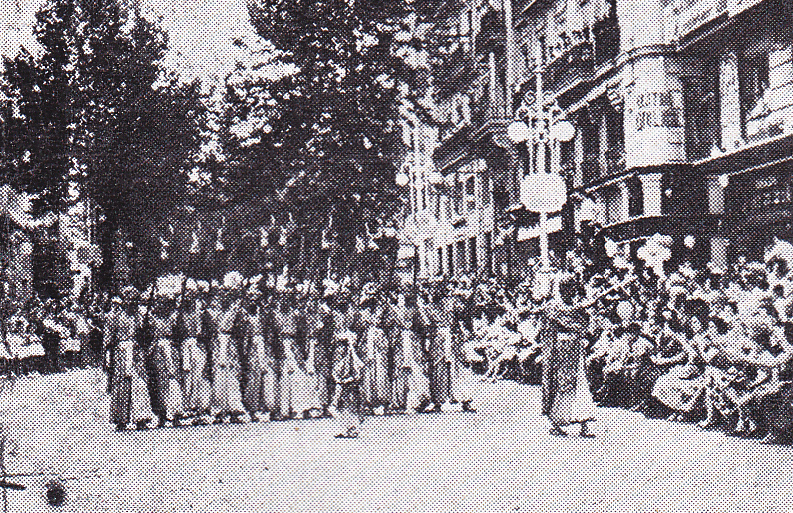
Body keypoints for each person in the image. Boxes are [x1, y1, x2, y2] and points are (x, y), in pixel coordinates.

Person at [538, 271, 617, 437]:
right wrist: (580, 308)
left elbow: (584, 324)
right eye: (566, 288)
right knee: (562, 386)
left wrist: (585, 309)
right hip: (559, 352)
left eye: (571, 288)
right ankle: (557, 423)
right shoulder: (552, 307)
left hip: (575, 350)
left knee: (580, 384)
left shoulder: (574, 306)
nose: (570, 291)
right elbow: (562, 319)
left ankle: (583, 425)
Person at [103, 286, 154, 431]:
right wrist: (108, 357)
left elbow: (146, 334)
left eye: (134, 300)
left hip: (136, 352)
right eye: (129, 299)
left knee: (140, 382)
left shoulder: (140, 316)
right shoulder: (114, 317)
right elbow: (108, 340)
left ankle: (141, 417)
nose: (131, 303)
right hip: (121, 353)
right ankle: (121, 419)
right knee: (121, 385)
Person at [205, 275, 248, 424]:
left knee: (232, 375)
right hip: (218, 345)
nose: (223, 298)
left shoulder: (235, 311)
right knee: (218, 375)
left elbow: (240, 328)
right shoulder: (211, 312)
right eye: (221, 295)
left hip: (230, 345)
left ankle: (234, 407)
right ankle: (218, 408)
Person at [144, 289, 186, 428]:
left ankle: (175, 413)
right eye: (160, 303)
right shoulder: (151, 318)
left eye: (165, 303)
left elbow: (179, 333)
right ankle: (161, 414)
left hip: (171, 349)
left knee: (173, 378)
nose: (162, 306)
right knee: (159, 381)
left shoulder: (173, 318)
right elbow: (145, 333)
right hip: (157, 350)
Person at [176, 279, 213, 425]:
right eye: (187, 292)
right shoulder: (180, 311)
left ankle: (200, 408)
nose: (189, 295)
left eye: (192, 292)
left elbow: (207, 328)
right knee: (187, 377)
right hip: (185, 345)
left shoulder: (201, 309)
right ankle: (187, 409)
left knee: (199, 376)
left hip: (199, 345)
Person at [240, 280, 277, 422]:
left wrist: (268, 347)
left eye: (256, 296)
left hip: (264, 346)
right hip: (251, 348)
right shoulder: (244, 314)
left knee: (266, 375)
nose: (254, 299)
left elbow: (270, 331)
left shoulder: (266, 313)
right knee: (253, 375)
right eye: (251, 296)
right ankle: (252, 407)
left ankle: (267, 407)